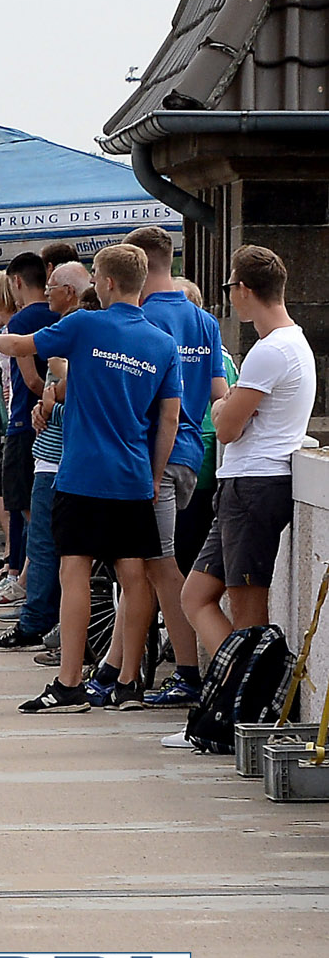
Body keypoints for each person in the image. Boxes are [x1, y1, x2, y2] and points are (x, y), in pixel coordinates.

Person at [0, 244, 181, 714]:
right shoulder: (162, 343)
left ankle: (70, 682)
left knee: (74, 574)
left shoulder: (85, 324)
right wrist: (153, 477)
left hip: (83, 473)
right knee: (134, 579)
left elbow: (21, 345)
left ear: (107, 283)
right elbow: (168, 419)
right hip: (133, 475)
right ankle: (130, 681)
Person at [171, 245, 316, 719]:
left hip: (254, 484)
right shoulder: (292, 343)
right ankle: (235, 696)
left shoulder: (268, 351)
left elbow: (227, 426)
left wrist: (222, 406)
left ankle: (250, 712)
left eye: (230, 287)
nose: (229, 296)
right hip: (247, 483)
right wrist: (228, 404)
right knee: (195, 595)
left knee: (248, 609)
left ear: (245, 290)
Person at [124, 226, 230, 702]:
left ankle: (188, 673)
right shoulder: (205, 321)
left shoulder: (139, 318)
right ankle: (118, 669)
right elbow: (217, 395)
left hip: (151, 455)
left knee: (160, 565)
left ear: (139, 265)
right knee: (146, 566)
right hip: (191, 453)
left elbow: (138, 396)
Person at [0, 261, 92, 654]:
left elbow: (40, 369)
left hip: (58, 455)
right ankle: (48, 621)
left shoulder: (74, 329)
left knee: (49, 543)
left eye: (53, 287)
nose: (48, 295)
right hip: (68, 452)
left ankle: (39, 621)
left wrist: (49, 397)